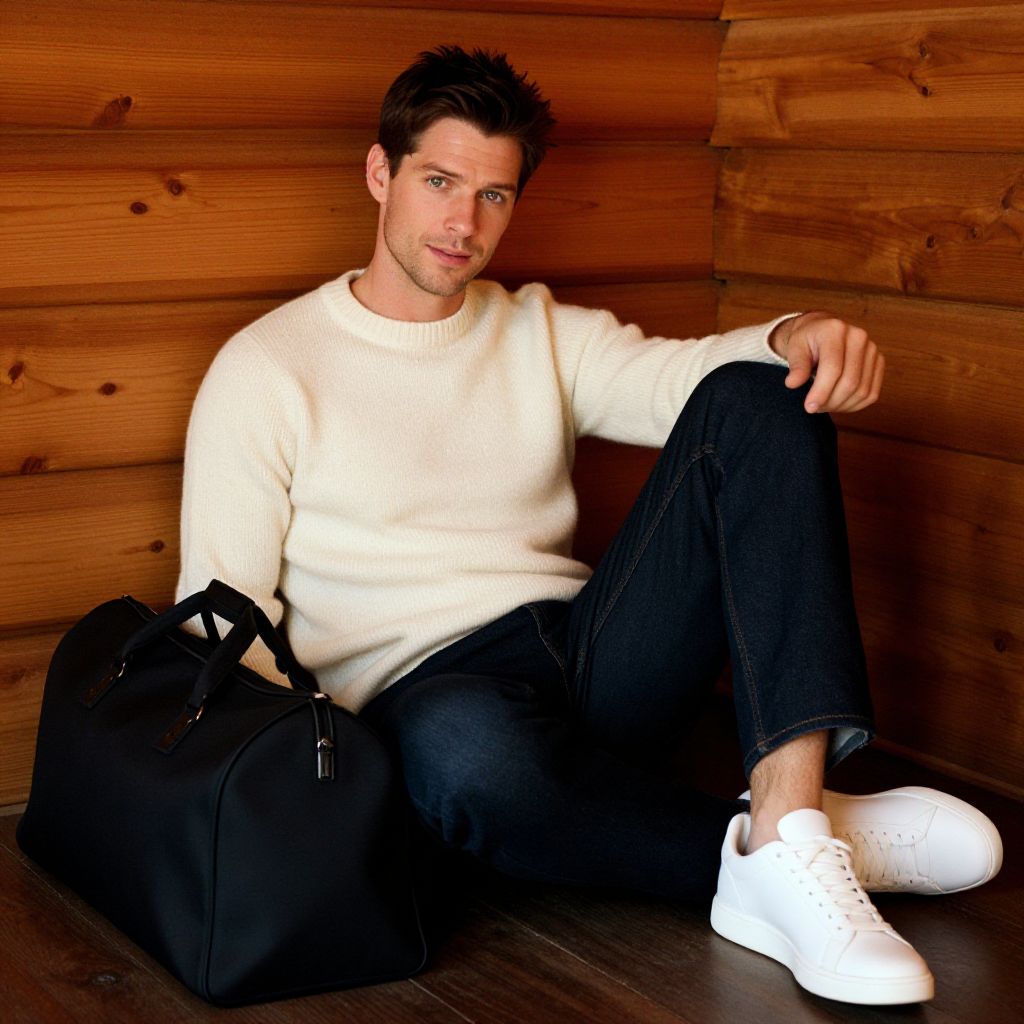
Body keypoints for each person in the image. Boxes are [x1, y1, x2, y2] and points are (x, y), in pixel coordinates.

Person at [176, 45, 1003, 1006]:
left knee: (761, 401)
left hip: (586, 655)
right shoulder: (269, 367)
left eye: (493, 195)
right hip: (424, 697)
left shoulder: (534, 328)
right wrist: (318, 799)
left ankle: (784, 821)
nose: (462, 222)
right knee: (466, 755)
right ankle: (800, 844)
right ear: (380, 173)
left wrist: (791, 335)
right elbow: (221, 615)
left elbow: (680, 383)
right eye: (439, 181)